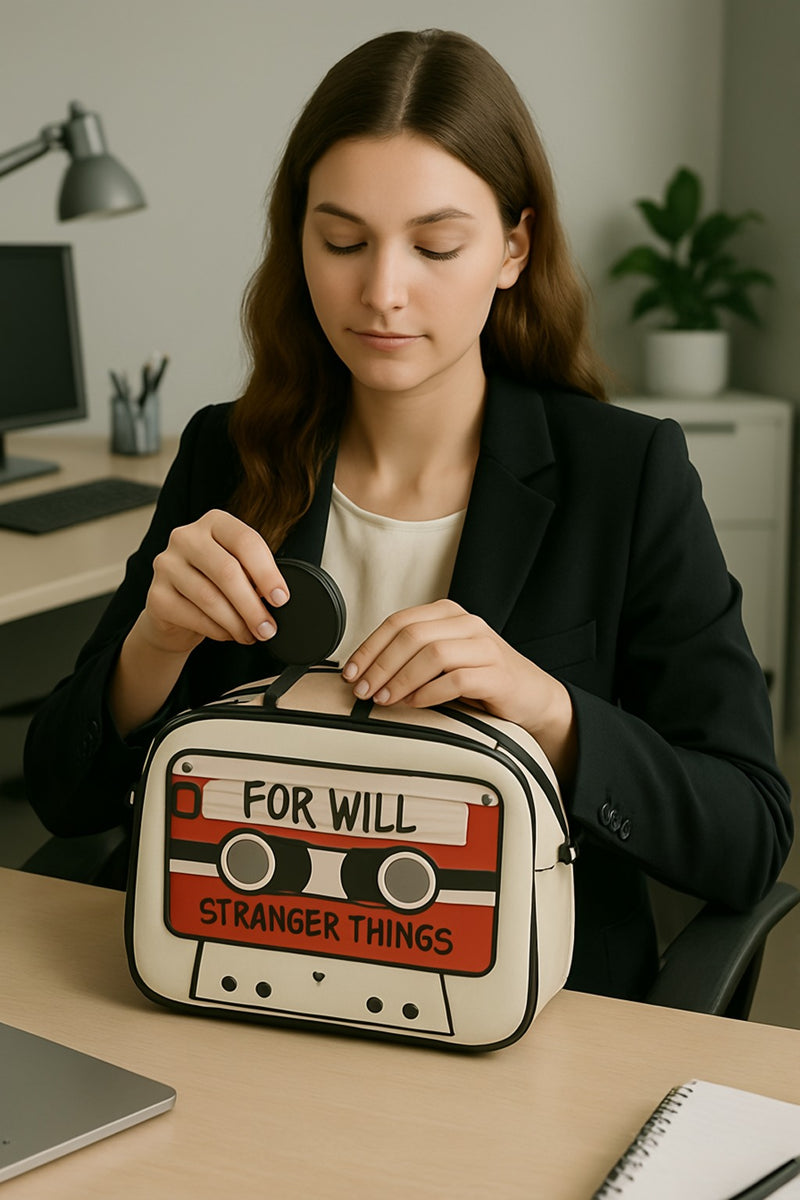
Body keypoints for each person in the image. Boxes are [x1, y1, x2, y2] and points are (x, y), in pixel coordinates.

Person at [24, 28, 792, 1001]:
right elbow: (63, 790)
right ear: (297, 238)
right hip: (229, 975)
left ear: (512, 248)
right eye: (340, 241)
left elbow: (746, 831)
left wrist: (543, 710)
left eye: (434, 246)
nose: (381, 291)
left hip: (505, 1004)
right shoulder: (229, 450)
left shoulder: (624, 474)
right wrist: (153, 649)